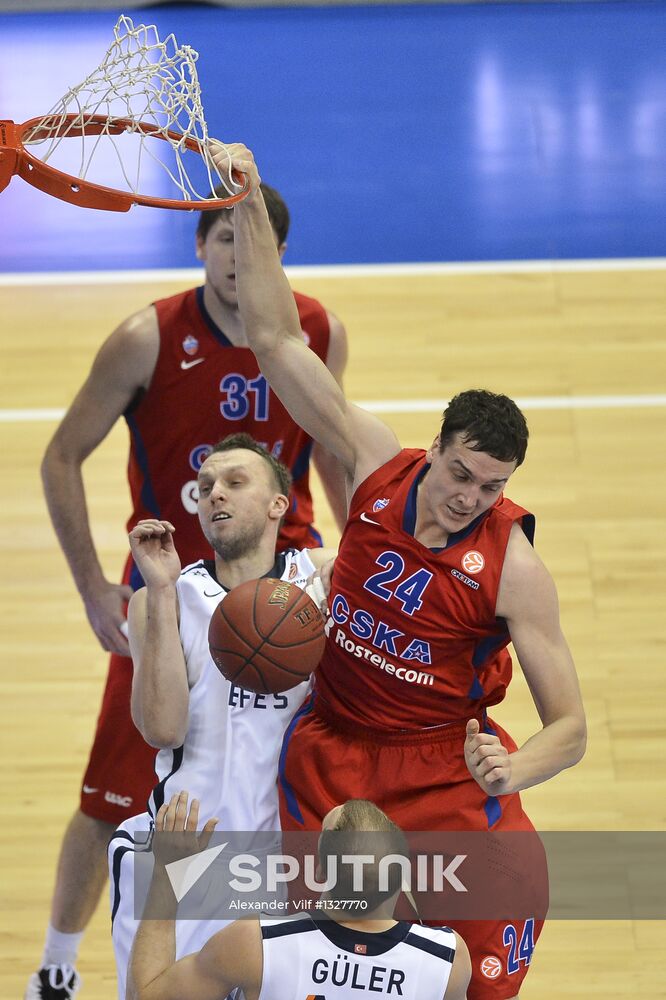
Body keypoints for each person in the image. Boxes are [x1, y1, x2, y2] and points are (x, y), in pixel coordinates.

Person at [206, 141, 587, 1000]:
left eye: (490, 487)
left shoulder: (514, 569)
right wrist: (248, 206)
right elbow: (272, 337)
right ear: (436, 448)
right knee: (314, 971)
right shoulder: (375, 465)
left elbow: (572, 728)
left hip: (440, 767)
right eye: (459, 474)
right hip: (332, 754)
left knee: (503, 931)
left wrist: (518, 769)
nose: (467, 497)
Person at [28, 185, 348, 1000]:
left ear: (277, 255)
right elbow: (60, 456)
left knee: (313, 779)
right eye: (224, 242)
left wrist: (361, 568)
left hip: (287, 590)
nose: (239, 259)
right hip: (175, 597)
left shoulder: (316, 331)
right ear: (199, 247)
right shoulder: (147, 337)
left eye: (255, 245)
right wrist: (96, 588)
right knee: (111, 793)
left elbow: (338, 455)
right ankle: (57, 966)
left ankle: (291, 950)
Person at [108, 433, 337, 1000]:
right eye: (206, 486)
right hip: (183, 853)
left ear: (279, 504)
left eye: (236, 483)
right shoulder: (160, 601)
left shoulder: (326, 582)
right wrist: (159, 590)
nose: (215, 495)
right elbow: (162, 730)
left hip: (288, 862)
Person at [126, 791, 471, 1000]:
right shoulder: (447, 961)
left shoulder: (254, 944)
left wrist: (166, 875)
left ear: (319, 873)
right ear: (402, 877)